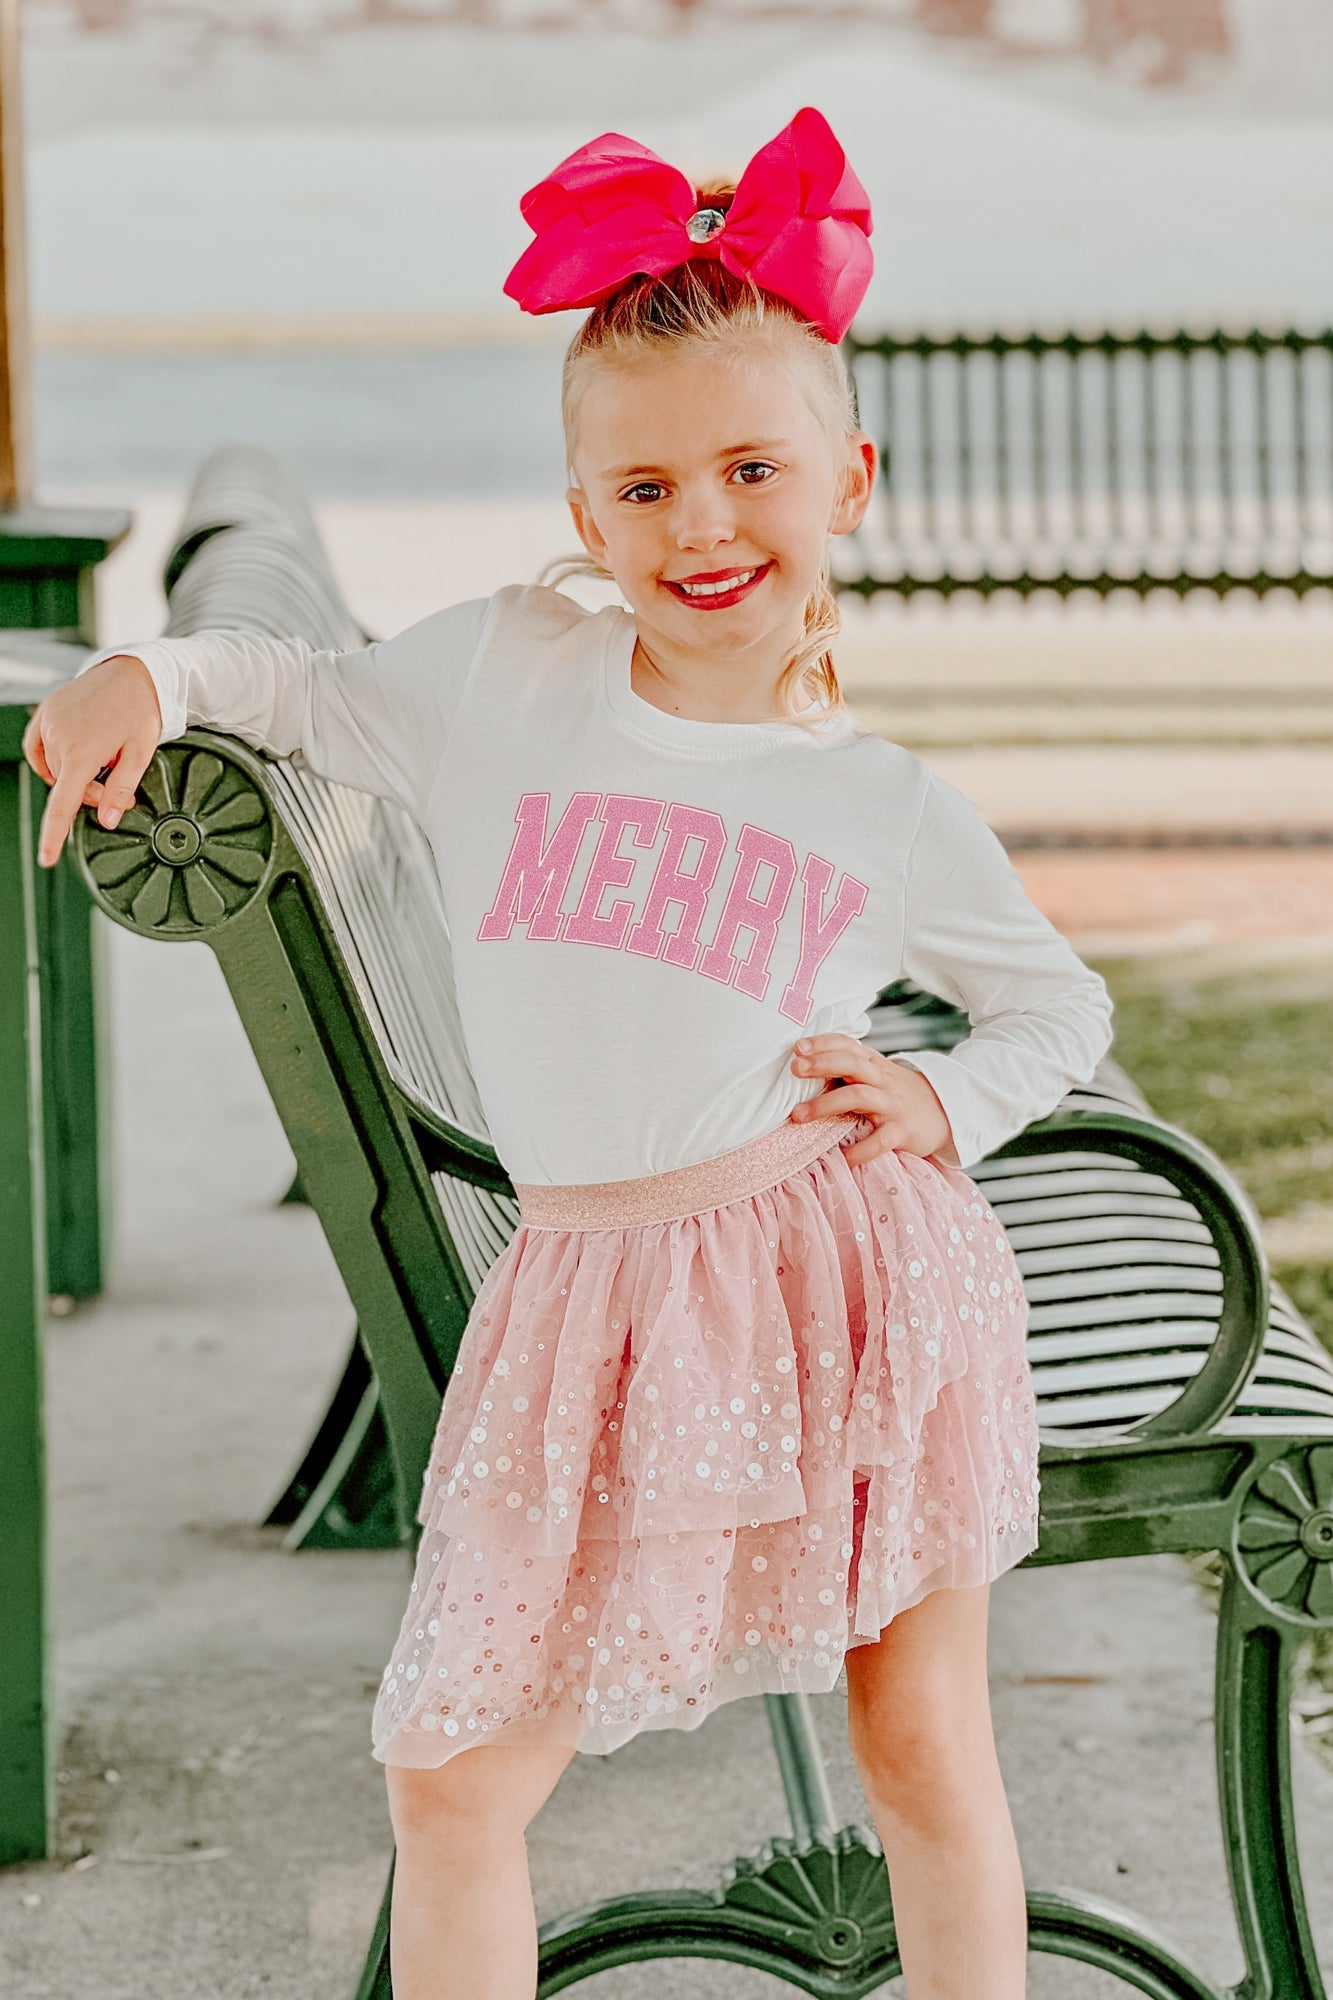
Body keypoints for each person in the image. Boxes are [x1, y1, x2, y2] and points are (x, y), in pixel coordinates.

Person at [24, 107, 1113, 2000]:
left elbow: (1057, 1010)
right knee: (450, 1772)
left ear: (845, 479)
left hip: (844, 1287)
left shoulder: (879, 801)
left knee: (923, 1749)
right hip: (593, 1311)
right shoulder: (509, 675)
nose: (701, 525)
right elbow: (297, 688)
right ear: (583, 515)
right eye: (644, 490)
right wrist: (152, 675)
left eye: (751, 468)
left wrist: (949, 1093)